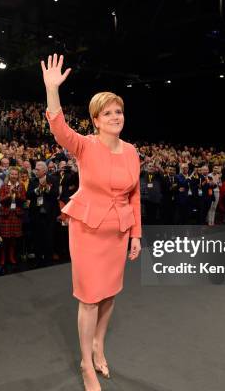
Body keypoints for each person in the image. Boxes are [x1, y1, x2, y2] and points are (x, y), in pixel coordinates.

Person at [41, 54, 141, 391]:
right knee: (88, 298)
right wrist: (52, 90)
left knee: (110, 295)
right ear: (96, 120)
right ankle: (86, 363)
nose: (115, 117)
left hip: (118, 233)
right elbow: (58, 127)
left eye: (119, 111)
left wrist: (136, 235)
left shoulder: (131, 151)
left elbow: (135, 195)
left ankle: (99, 345)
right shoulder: (85, 146)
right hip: (87, 231)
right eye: (108, 113)